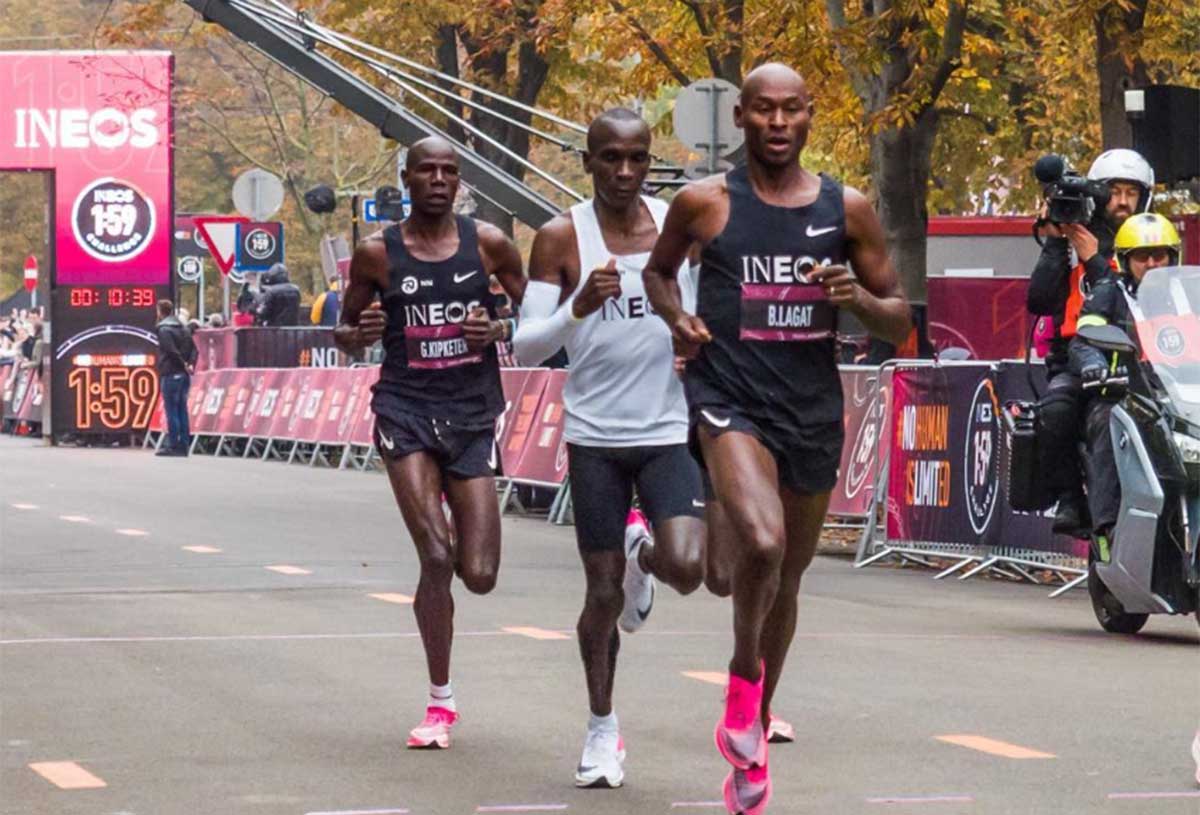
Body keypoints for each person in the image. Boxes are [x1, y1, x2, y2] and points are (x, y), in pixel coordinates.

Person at [643, 63, 911, 815]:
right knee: (758, 543)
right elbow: (660, 275)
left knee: (787, 578)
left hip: (810, 408)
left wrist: (854, 297)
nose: (778, 123)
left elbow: (899, 318)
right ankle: (739, 679)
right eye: (763, 110)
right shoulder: (705, 203)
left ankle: (754, 726)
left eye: (792, 110)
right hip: (729, 395)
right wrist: (677, 317)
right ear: (743, 120)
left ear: (810, 116)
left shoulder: (845, 209)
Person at [513, 108, 707, 789]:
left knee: (687, 566)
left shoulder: (677, 228)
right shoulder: (562, 236)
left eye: (636, 159)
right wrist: (575, 310)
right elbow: (525, 343)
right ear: (588, 160)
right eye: (610, 159)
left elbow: (703, 314)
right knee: (599, 596)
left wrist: (696, 337)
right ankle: (601, 728)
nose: (624, 172)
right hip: (595, 436)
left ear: (648, 161)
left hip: (665, 429)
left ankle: (642, 555)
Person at [334, 136, 525, 750]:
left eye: (449, 171)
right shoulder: (376, 255)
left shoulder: (489, 244)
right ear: (408, 179)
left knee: (481, 573)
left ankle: (451, 515)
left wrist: (498, 327)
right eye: (427, 171)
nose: (439, 180)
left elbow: (540, 317)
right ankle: (440, 703)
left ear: (459, 181)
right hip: (406, 410)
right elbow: (345, 332)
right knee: (437, 558)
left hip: (470, 413)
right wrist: (358, 332)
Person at [1026, 149, 1154, 536]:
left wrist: (1096, 260)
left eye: (1131, 192)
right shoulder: (1075, 232)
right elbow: (1040, 301)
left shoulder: (1151, 241)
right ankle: (1070, 499)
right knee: (1056, 410)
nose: (1121, 201)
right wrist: (1053, 243)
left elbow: (1140, 298)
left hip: (1142, 357)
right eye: (1113, 191)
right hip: (1076, 356)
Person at [1070, 213, 1181, 557]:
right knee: (1106, 425)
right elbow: (1084, 339)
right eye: (1141, 256)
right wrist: (1094, 366)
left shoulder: (1186, 295)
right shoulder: (1109, 293)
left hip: (1179, 399)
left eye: (1159, 255)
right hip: (1124, 394)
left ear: (1172, 258)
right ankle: (1106, 530)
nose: (1151, 263)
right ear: (1125, 259)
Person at [154, 299, 197, 456]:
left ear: (160, 311)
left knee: (171, 410)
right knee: (182, 409)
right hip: (184, 375)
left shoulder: (164, 329)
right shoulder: (184, 328)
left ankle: (173, 445)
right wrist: (191, 364)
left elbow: (171, 351)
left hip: (171, 373)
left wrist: (183, 363)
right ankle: (184, 444)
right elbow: (194, 349)